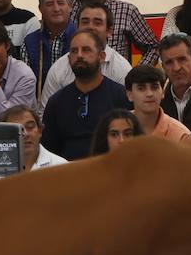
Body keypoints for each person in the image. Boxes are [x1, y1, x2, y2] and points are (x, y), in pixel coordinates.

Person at [40, 31, 130, 161]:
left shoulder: (121, 96)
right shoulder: (56, 102)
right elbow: (48, 153)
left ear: (102, 56)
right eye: (74, 51)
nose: (79, 55)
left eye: (86, 50)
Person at [38, 0, 132, 102]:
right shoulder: (59, 69)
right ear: (77, 28)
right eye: (85, 22)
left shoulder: (122, 69)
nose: (90, 27)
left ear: (109, 31)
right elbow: (45, 113)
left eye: (97, 22)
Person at [22, 0, 76, 92]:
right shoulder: (30, 42)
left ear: (70, 6)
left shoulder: (82, 39)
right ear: (40, 8)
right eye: (50, 4)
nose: (56, 9)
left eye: (61, 3)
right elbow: (26, 84)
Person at [126, 66, 190, 142]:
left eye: (154, 87)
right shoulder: (116, 128)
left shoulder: (180, 135)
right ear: (129, 95)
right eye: (141, 88)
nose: (149, 94)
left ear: (163, 92)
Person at [0, 105, 67, 170]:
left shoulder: (61, 166)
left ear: (40, 131)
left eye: (30, 127)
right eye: (16, 130)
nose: (25, 134)